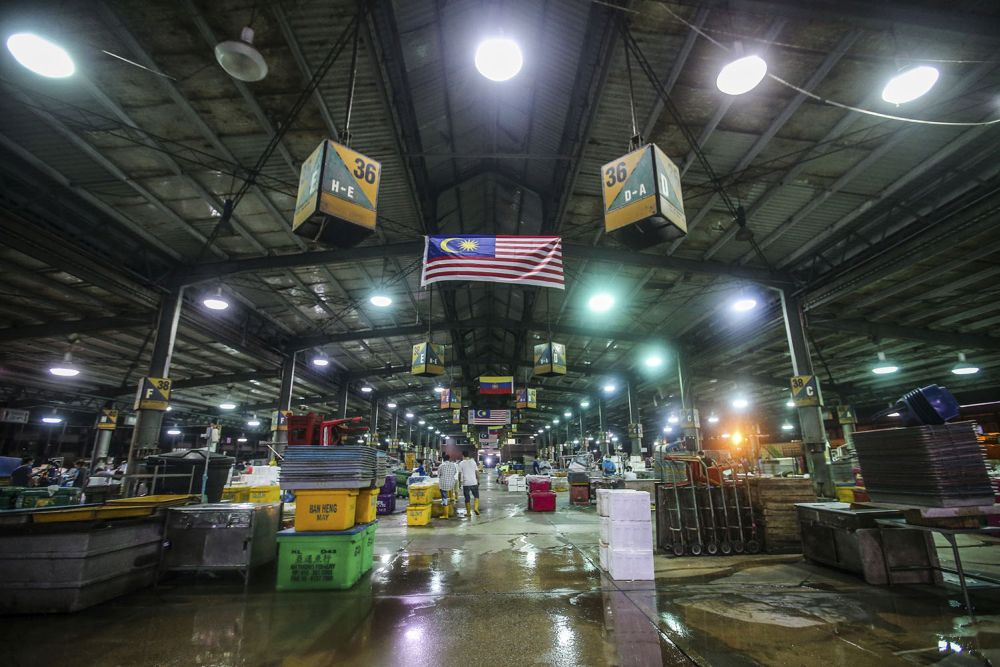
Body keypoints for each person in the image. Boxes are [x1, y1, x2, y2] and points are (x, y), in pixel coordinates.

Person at [436, 454, 458, 520]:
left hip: (443, 484)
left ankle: (446, 514)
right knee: (450, 496)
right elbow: (455, 472)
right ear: (449, 458)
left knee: (444, 498)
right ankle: (451, 508)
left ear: (443, 459)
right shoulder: (453, 465)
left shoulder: (441, 465)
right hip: (451, 483)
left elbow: (438, 475)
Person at [458, 450, 480, 517]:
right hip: (474, 482)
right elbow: (477, 472)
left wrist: (460, 482)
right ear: (468, 455)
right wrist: (478, 480)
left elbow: (459, 474)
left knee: (467, 498)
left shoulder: (461, 463)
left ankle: (468, 513)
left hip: (466, 483)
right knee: (476, 496)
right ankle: (476, 508)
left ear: (463, 455)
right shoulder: (473, 462)